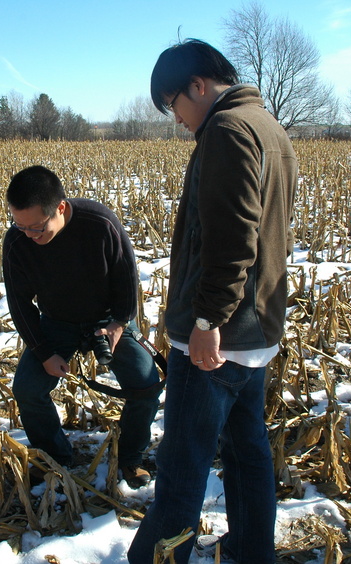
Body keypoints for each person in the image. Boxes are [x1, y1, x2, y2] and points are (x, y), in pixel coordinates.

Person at [128, 39, 297, 564]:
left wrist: (207, 319)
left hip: (219, 338)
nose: (176, 118)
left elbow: (232, 237)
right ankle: (251, 551)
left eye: (172, 103)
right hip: (256, 332)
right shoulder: (268, 126)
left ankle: (157, 558)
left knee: (182, 463)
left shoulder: (225, 131)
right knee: (248, 454)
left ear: (198, 86)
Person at [2, 165, 161, 488]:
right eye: (20, 227)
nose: (29, 235)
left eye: (37, 227)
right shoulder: (18, 241)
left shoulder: (100, 223)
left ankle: (131, 457)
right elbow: (19, 303)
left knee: (146, 385)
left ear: (60, 208)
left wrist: (120, 322)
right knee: (27, 389)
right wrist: (44, 352)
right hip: (56, 322)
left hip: (108, 319)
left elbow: (128, 277)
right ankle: (54, 457)